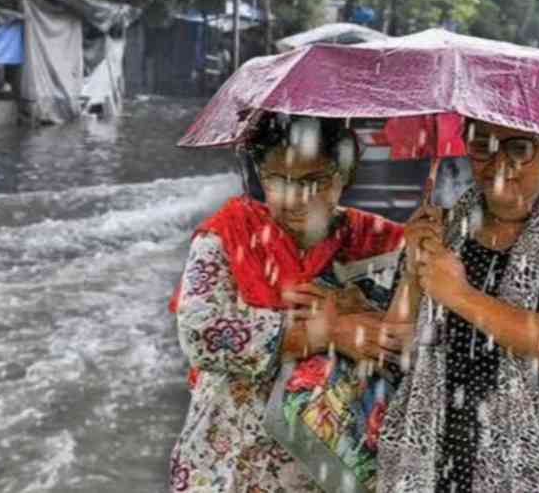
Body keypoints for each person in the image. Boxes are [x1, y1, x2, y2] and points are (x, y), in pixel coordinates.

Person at [378, 120, 539, 493]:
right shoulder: (442, 231)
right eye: (482, 146)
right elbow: (394, 345)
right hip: (446, 463)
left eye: (518, 148)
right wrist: (413, 275)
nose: (498, 164)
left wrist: (459, 294)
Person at [169, 114, 412, 492]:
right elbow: (203, 336)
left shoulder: (378, 241)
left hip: (331, 463)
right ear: (260, 176)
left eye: (314, 181)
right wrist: (323, 333)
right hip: (235, 457)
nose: (294, 198)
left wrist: (363, 310)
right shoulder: (229, 236)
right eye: (277, 180)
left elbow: (419, 339)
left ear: (344, 176)